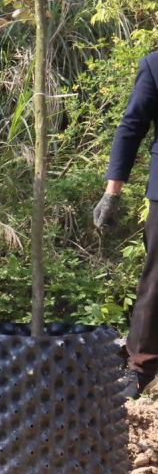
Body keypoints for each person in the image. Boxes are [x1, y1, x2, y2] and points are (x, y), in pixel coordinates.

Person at [94, 50, 158, 397]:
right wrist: (112, 193)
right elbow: (132, 126)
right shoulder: (155, 65)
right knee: (157, 280)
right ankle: (139, 367)